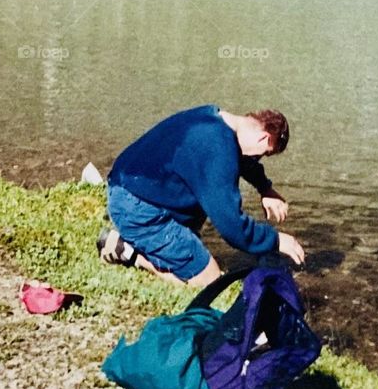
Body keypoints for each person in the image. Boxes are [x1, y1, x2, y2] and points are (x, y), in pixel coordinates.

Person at [97, 104, 306, 287]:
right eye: (264, 154)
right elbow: (232, 227)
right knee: (210, 283)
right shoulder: (218, 150)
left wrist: (264, 188)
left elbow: (241, 157)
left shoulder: (215, 119)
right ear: (263, 138)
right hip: (135, 206)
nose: (258, 159)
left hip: (132, 185)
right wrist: (276, 240)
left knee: (201, 209)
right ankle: (128, 253)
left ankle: (165, 245)